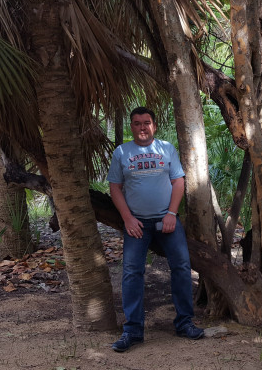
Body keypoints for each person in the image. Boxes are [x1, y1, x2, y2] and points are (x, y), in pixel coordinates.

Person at [107, 107, 204, 353]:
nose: (142, 127)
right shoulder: (122, 152)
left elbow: (178, 181)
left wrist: (171, 214)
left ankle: (184, 323)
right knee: (131, 272)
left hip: (167, 220)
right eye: (137, 123)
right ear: (132, 126)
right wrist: (127, 219)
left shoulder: (166, 149)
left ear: (154, 125)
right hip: (137, 223)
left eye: (147, 122)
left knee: (181, 267)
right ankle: (133, 331)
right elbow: (115, 187)